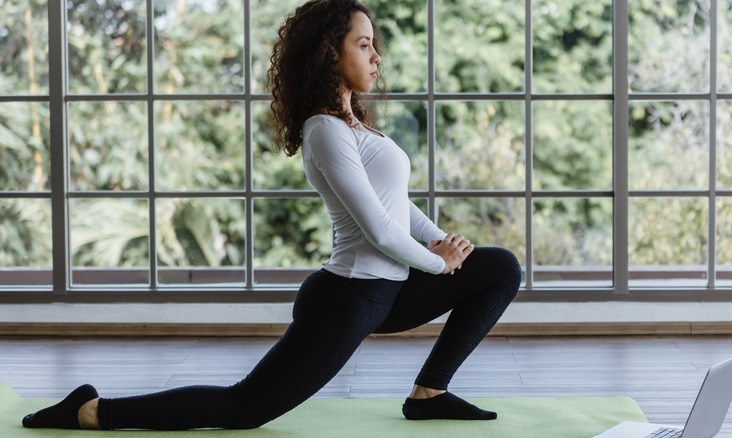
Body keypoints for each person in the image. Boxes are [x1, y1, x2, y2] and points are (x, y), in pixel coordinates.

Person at [21, 0, 522, 430]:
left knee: (498, 267)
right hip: (348, 299)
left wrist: (446, 245)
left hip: (389, 291)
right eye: (363, 43)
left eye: (374, 44)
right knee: (245, 407)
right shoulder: (324, 130)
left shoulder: (357, 125)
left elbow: (397, 203)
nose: (376, 55)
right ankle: (88, 410)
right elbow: (376, 227)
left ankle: (429, 394)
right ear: (331, 51)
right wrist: (438, 264)